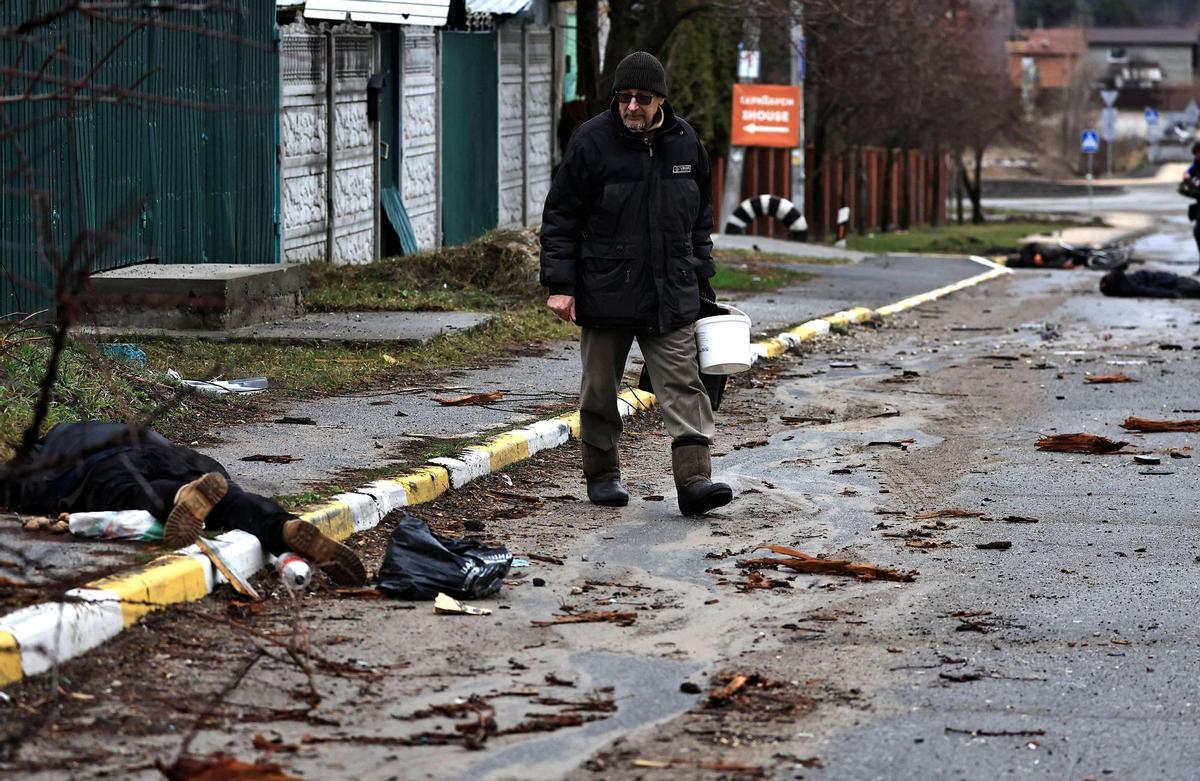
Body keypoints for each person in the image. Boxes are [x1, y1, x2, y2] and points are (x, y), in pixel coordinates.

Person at [539, 51, 732, 517]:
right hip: (605, 289)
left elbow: (698, 220)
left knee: (686, 385)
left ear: (660, 100)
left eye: (642, 98)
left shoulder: (686, 142)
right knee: (599, 392)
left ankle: (694, 481)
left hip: (671, 292)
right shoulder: (592, 142)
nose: (631, 106)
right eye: (624, 97)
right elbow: (561, 218)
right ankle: (603, 475)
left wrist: (701, 279)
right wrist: (561, 285)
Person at [0, 421, 366, 585]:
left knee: (138, 494)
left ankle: (183, 498)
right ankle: (283, 527)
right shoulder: (99, 426)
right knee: (227, 501)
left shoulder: (44, 456)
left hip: (106, 467)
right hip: (173, 454)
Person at [1099, 265, 1200, 298]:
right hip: (1173, 283)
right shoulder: (1128, 285)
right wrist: (1172, 294)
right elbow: (1149, 291)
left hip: (1171, 282)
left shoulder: (1124, 283)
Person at [1182, 141, 1200, 274]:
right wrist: (1187, 176)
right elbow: (1189, 171)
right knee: (1198, 232)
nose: (1197, 157)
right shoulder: (1197, 163)